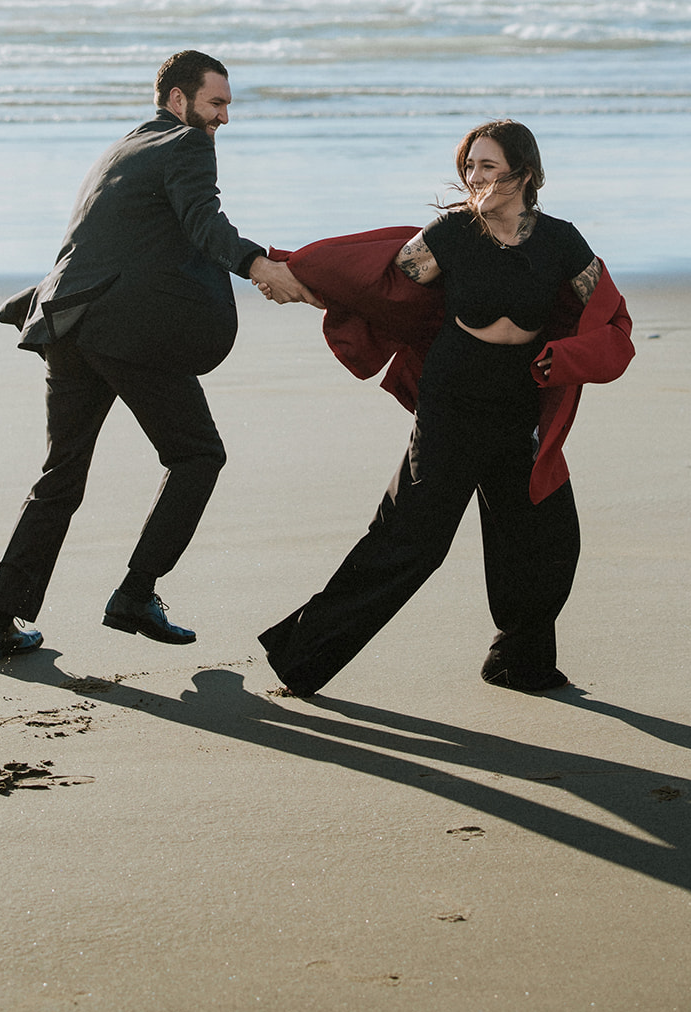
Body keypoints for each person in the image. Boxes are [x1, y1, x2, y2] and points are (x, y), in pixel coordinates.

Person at [257, 119, 634, 697]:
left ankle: (518, 661)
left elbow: (607, 314)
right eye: (469, 166)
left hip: (518, 404)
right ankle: (301, 657)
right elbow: (381, 283)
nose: (474, 177)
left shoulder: (561, 241)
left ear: (524, 173)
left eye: (487, 166)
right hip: (453, 403)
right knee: (412, 541)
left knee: (541, 537)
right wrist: (307, 278)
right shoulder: (451, 234)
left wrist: (573, 356)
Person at [0, 49, 318, 664]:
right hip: (119, 330)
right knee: (198, 455)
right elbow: (204, 222)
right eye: (216, 103)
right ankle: (136, 592)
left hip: (67, 323)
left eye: (228, 105)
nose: (225, 118)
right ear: (178, 100)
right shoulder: (185, 145)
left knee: (60, 476)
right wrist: (259, 265)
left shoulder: (125, 146)